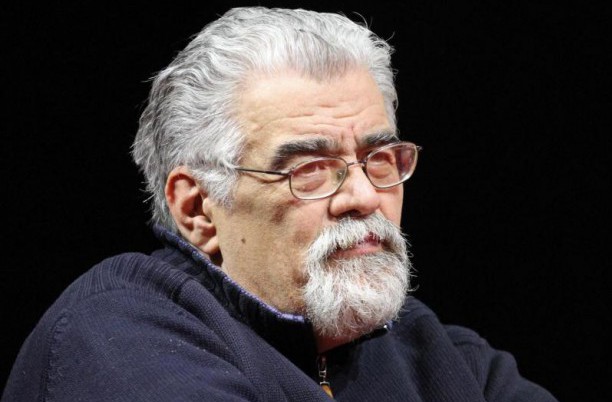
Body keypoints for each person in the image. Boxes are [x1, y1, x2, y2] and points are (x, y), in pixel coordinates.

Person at [2, 7, 557, 401]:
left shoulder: (438, 352)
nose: (364, 196)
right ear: (197, 209)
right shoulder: (117, 340)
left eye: (380, 159)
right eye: (310, 169)